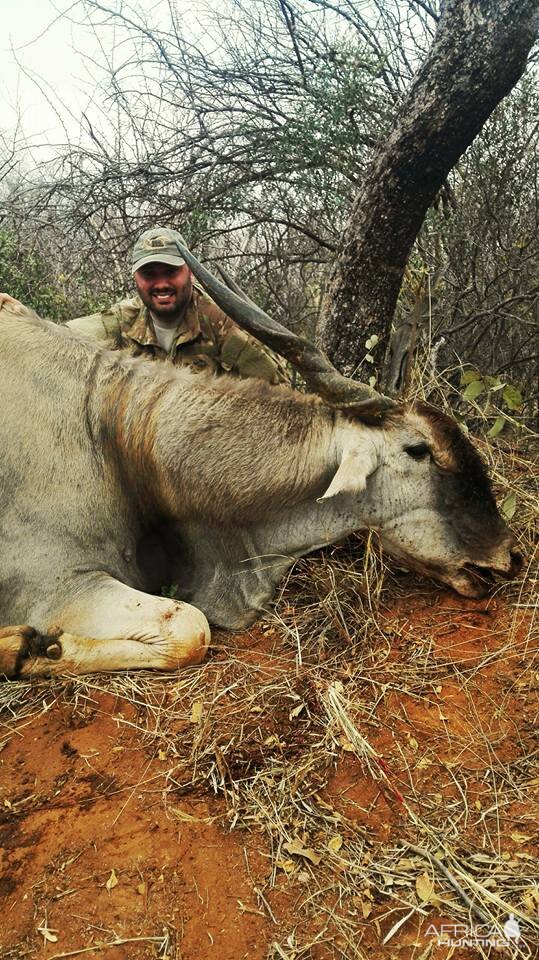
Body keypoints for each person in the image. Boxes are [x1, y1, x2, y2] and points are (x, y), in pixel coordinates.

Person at [66, 227, 288, 383]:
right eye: (149, 274)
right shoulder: (122, 319)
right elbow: (57, 337)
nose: (161, 284)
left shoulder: (225, 324)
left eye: (171, 272)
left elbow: (279, 394)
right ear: (135, 277)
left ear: (189, 272)